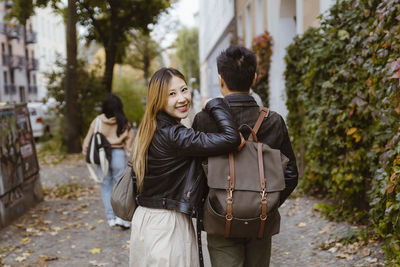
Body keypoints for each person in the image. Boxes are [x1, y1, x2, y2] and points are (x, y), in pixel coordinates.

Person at [192, 45, 299, 267]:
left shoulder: (204, 121)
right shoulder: (274, 121)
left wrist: (210, 206)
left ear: (221, 80)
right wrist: (267, 203)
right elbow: (291, 174)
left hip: (220, 218)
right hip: (261, 218)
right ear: (255, 78)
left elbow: (195, 174)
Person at [129, 67, 241, 267]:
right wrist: (214, 103)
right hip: (168, 225)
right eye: (171, 94)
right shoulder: (173, 135)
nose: (182, 98)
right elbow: (231, 138)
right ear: (158, 99)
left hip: (146, 221)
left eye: (184, 89)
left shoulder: (151, 128)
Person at [83, 94, 135, 228]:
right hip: (118, 155)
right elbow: (130, 145)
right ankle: (121, 218)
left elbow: (88, 141)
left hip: (102, 156)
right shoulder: (124, 121)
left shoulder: (98, 121)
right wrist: (131, 159)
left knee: (105, 187)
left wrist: (87, 155)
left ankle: (110, 218)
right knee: (121, 187)